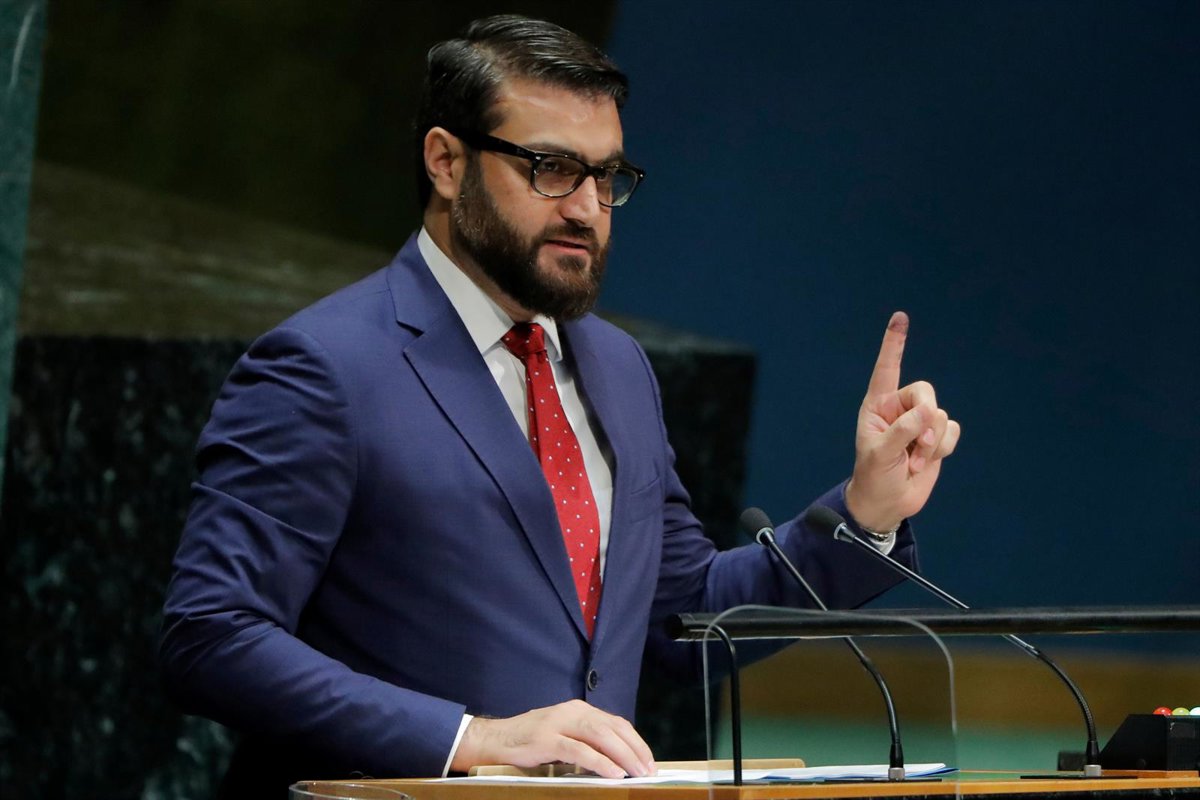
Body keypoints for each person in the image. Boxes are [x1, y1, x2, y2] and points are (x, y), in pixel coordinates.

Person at [159, 14, 960, 793]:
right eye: (549, 167)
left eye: (605, 176)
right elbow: (211, 635)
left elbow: (682, 618)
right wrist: (470, 740)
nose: (584, 207)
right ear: (446, 162)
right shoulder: (323, 367)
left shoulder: (618, 367)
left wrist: (866, 515)